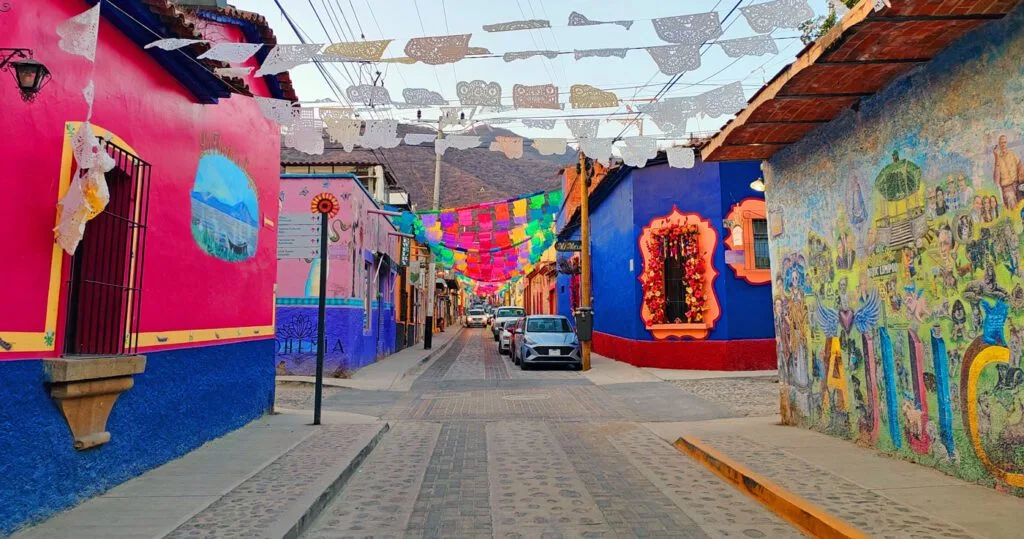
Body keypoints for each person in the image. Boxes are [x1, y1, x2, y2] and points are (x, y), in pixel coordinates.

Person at [993, 134, 1024, 209]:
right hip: (1007, 187)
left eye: (1005, 142)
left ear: (1007, 143)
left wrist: (1021, 179)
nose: (1003, 144)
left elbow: (1020, 166)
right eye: (1001, 143)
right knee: (1011, 199)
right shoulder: (997, 159)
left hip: (1017, 184)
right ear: (999, 144)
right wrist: (996, 158)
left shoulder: (1012, 154)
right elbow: (996, 180)